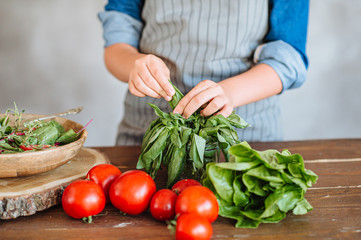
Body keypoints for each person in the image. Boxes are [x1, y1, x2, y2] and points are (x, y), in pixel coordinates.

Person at [98, 0, 309, 145]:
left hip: (246, 139)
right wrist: (135, 63)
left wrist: (230, 92)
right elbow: (117, 43)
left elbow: (289, 58)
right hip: (147, 134)